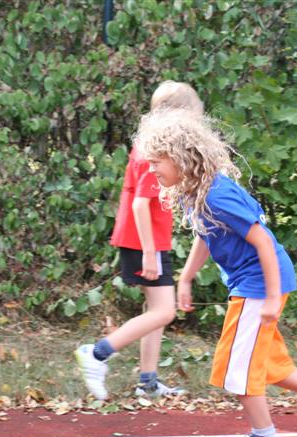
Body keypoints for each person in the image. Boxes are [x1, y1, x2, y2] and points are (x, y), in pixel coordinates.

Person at [133, 108, 297, 437]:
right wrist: (186, 277)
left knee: (237, 367)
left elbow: (263, 241)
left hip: (259, 284)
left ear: (181, 157)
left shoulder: (216, 195)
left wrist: (271, 297)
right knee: (266, 363)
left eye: (157, 161)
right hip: (249, 283)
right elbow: (206, 235)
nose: (152, 168)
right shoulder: (194, 191)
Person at [75, 81, 204, 400]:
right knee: (164, 312)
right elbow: (139, 204)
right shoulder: (153, 150)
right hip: (143, 242)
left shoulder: (153, 145)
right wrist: (148, 252)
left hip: (150, 241)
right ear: (176, 116)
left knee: (156, 311)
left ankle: (147, 382)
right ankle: (97, 354)